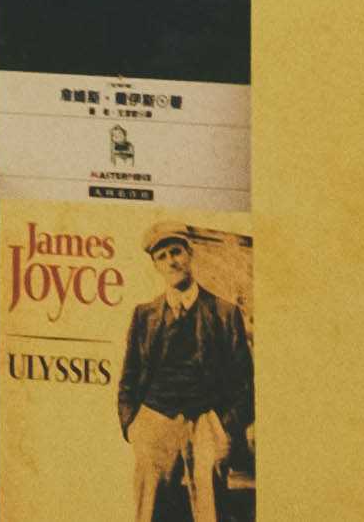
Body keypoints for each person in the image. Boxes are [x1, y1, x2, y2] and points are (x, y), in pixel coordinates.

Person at [118, 221, 252, 522]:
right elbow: (129, 377)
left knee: (210, 511)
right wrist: (133, 425)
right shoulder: (144, 315)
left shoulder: (224, 312)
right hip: (155, 419)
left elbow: (246, 383)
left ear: (189, 254)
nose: (171, 261)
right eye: (162, 257)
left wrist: (224, 427)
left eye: (176, 252)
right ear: (155, 265)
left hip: (205, 421)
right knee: (148, 512)